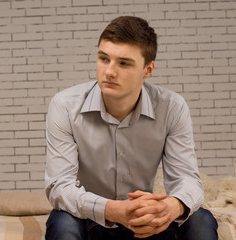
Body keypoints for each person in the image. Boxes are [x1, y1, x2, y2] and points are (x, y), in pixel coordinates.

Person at [44, 16, 218, 240]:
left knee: (201, 219)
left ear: (148, 69)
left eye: (124, 63)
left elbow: (187, 179)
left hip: (146, 224)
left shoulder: (172, 108)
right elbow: (60, 186)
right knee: (62, 220)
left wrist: (171, 207)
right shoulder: (65, 106)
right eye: (103, 58)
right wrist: (112, 210)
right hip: (90, 219)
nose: (109, 71)